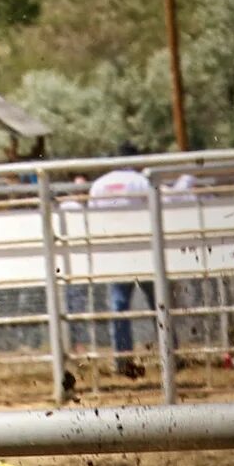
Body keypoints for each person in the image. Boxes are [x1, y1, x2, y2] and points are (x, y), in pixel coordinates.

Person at [88, 146, 154, 378]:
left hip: (116, 253)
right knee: (159, 303)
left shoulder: (99, 185)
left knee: (119, 306)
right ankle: (170, 355)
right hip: (145, 250)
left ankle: (122, 359)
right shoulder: (142, 181)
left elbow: (93, 217)